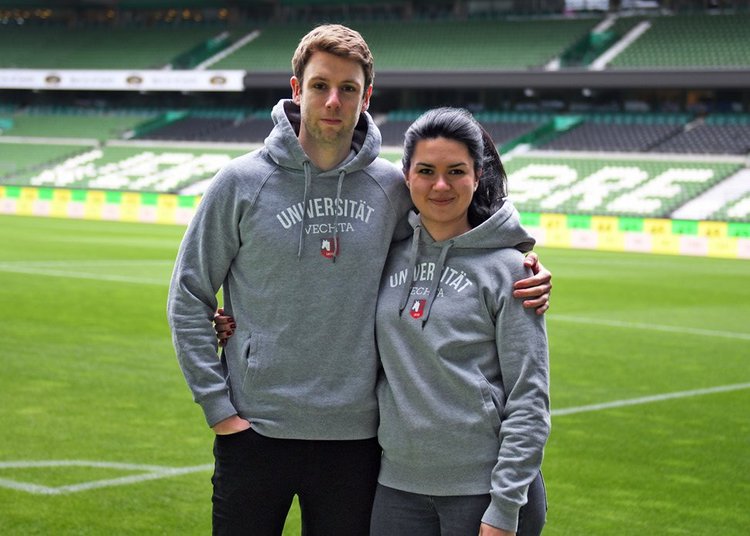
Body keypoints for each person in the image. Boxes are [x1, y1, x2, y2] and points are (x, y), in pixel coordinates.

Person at [168, 24, 551, 536]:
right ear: (295, 88)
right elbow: (188, 294)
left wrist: (521, 259)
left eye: (348, 88)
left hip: (358, 441)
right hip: (255, 429)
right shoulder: (240, 183)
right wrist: (219, 411)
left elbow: (451, 230)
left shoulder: (391, 186)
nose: (333, 100)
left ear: (366, 97)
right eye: (320, 85)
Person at [371, 107, 550, 536]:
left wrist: (505, 507)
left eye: (456, 171)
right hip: (397, 487)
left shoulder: (511, 271)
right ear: (406, 175)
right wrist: (231, 319)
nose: (440, 185)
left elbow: (530, 396)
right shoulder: (383, 256)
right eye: (426, 170)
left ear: (477, 175)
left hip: (484, 492)